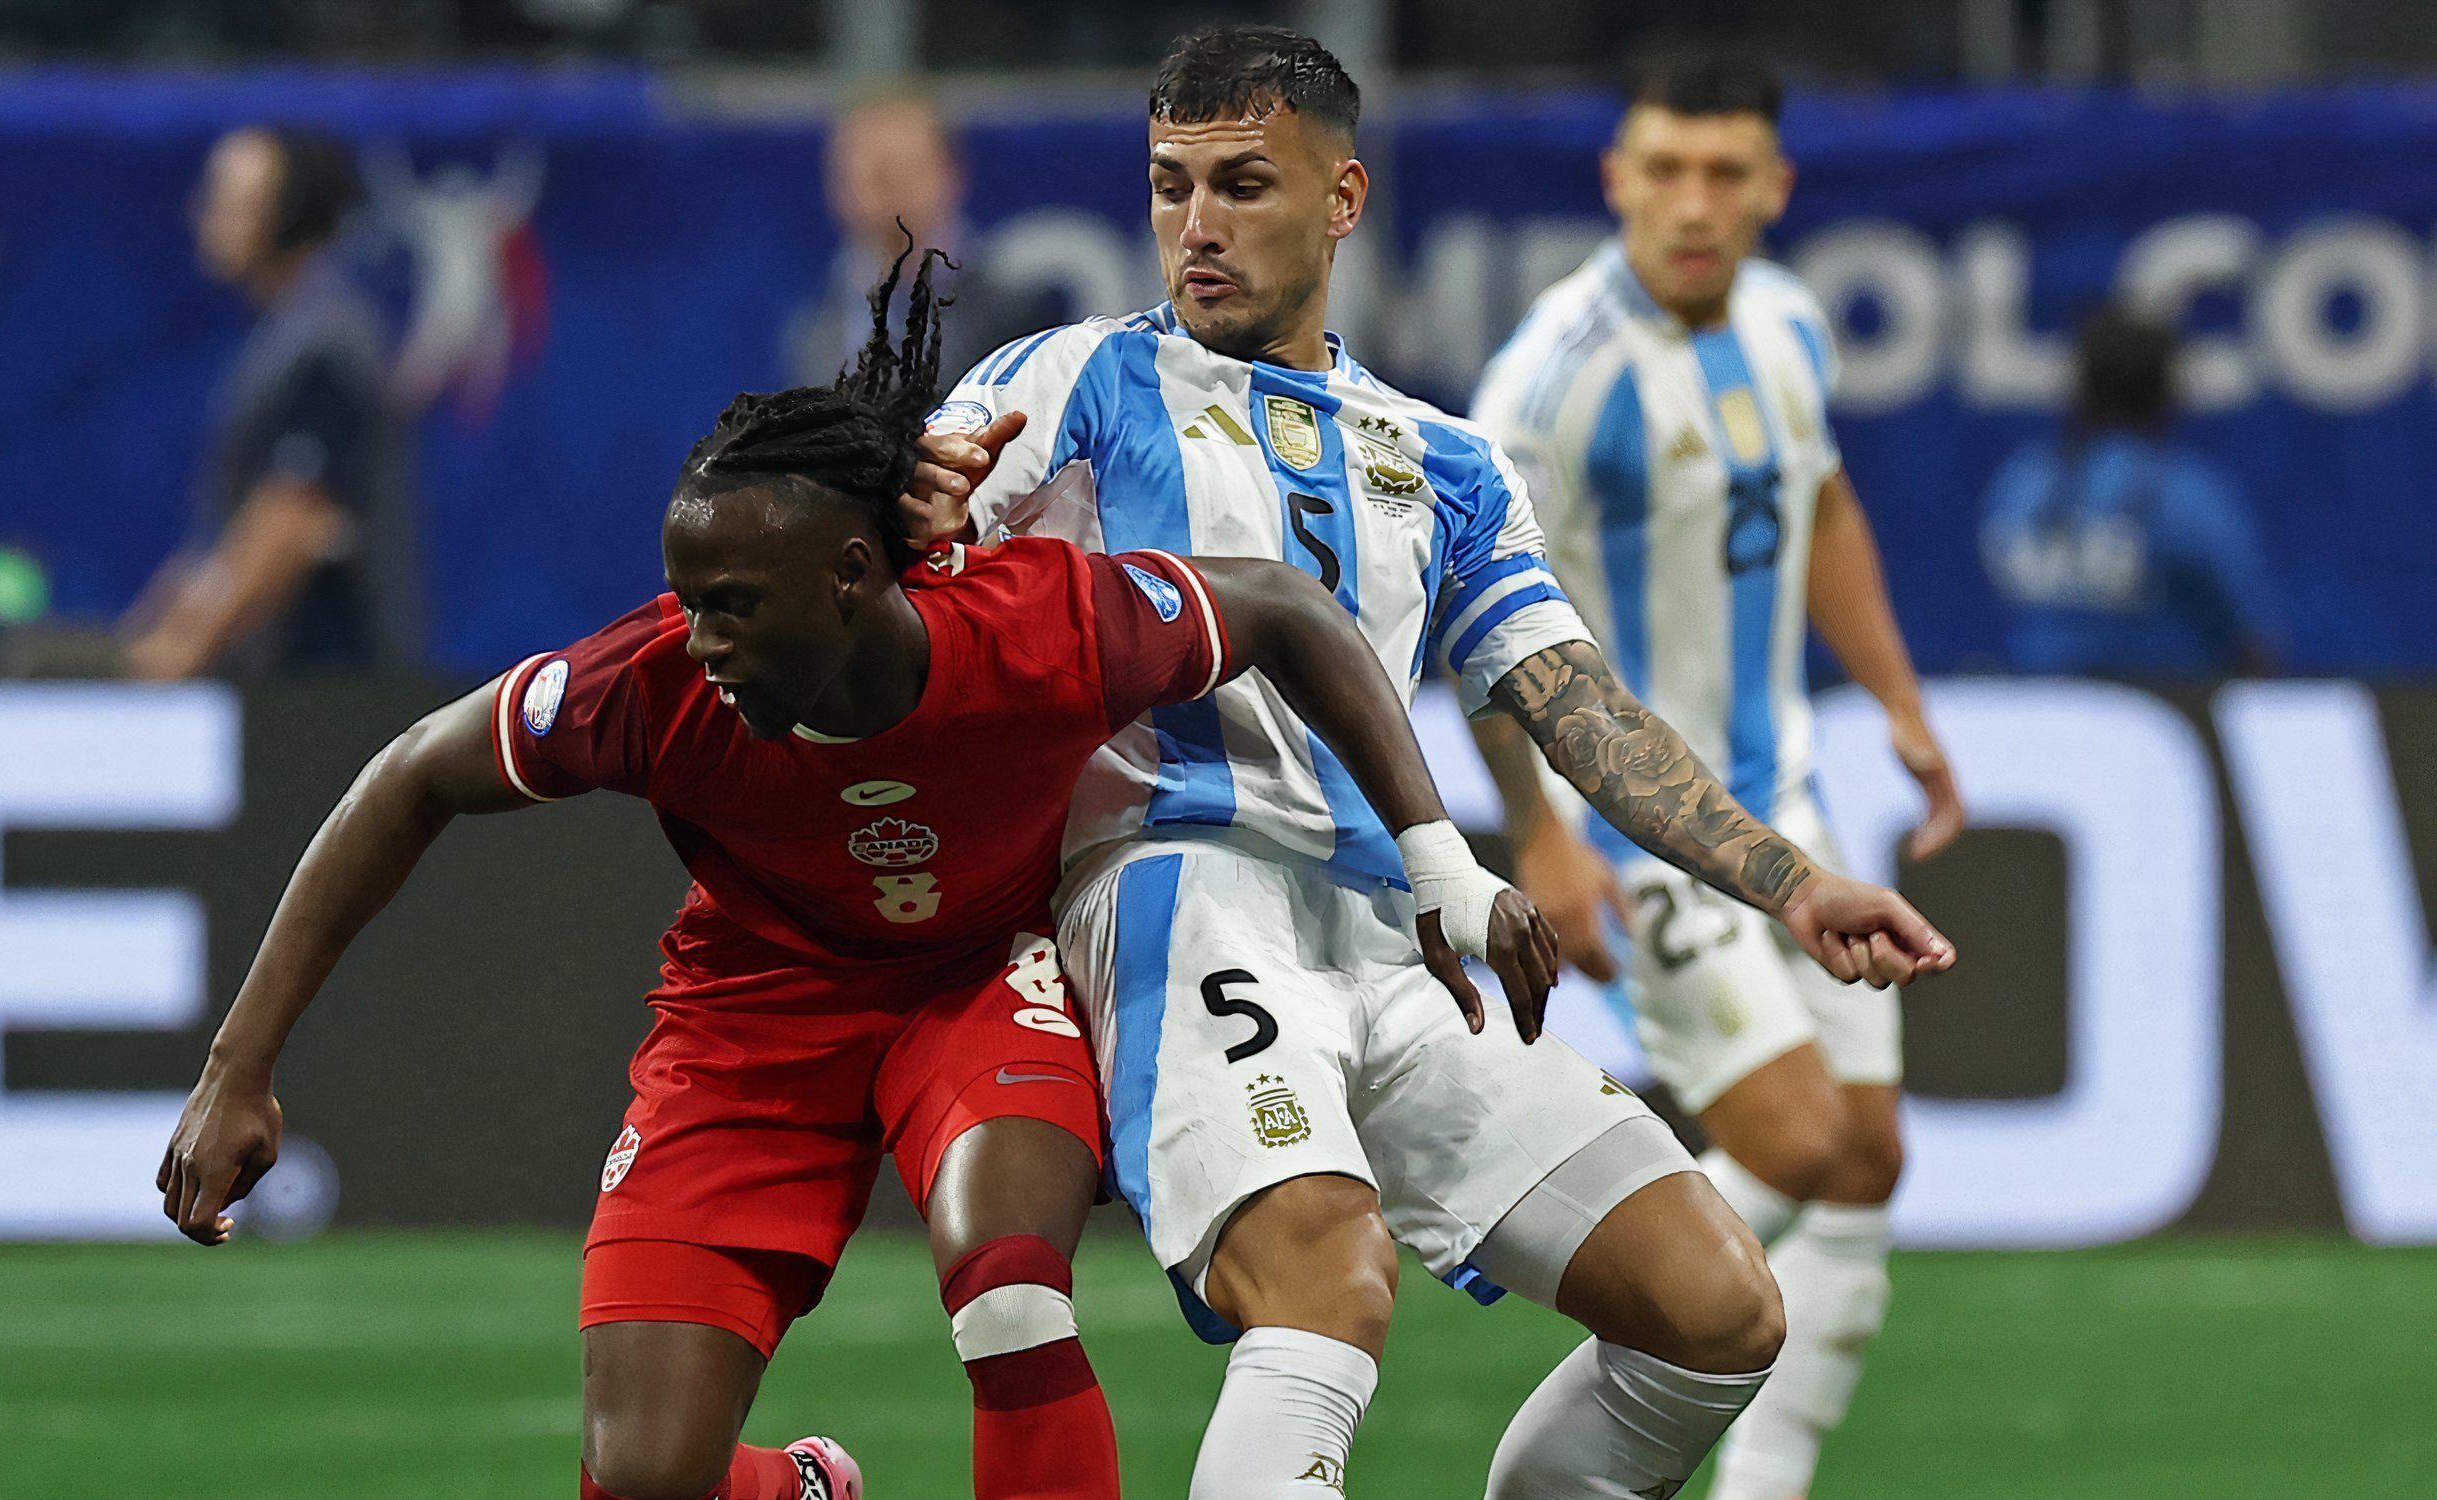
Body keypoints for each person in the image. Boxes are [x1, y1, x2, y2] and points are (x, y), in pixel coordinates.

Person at [157, 253, 1552, 1500]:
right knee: (645, 1479)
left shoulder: (1032, 629)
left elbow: (1289, 610)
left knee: (1010, 1299)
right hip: (754, 1014)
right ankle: (806, 1487)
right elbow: (408, 774)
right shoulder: (647, 685)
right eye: (689, 601)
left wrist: (1439, 859)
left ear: (847, 577)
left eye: (733, 609)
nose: (697, 640)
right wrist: (239, 1065)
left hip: (977, 985)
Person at [907, 25, 1954, 1500]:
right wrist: (905, 503)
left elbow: (1572, 696)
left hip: (1403, 938)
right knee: (1329, 1281)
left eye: (1243, 187)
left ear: (1343, 201)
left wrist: (1784, 884)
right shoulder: (1074, 383)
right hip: (1183, 893)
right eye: (1170, 186)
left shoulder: (1443, 457)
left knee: (1718, 1313)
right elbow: (909, 519)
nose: (1196, 227)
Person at [1465, 49, 1968, 1500]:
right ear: (1617, 179)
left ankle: (1765, 1486)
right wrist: (1544, 838)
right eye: (1664, 170)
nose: (1693, 203)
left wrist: (1900, 701)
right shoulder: (1551, 381)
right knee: (1799, 1141)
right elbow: (1474, 616)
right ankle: (1632, 1309)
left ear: (1773, 188)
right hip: (1650, 827)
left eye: (1724, 173)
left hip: (1789, 801)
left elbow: (1820, 499)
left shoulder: (1792, 326)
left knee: (1868, 1158)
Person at [125, 125, 419, 679]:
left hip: (328, 688)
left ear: (287, 217)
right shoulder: (282, 335)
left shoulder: (327, 344)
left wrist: (179, 655)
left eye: (226, 202)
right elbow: (233, 543)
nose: (200, 216)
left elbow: (291, 515)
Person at [1981, 303, 2284, 676]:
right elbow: (2250, 639)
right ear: (2165, 390)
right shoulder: (2185, 495)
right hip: (2168, 715)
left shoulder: (2019, 483)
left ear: (2079, 386)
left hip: (2036, 714)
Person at [786, 91, 1057, 388]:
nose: (891, 191)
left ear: (951, 175)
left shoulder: (1015, 314)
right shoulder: (815, 329)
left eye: (905, 168)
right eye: (875, 175)